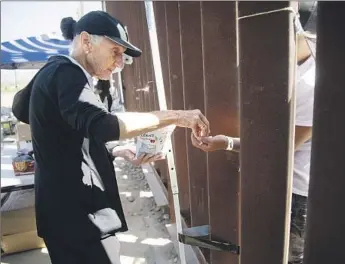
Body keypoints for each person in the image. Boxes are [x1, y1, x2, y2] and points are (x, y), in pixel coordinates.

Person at [24, 11, 209, 264]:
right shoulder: (68, 74)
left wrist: (115, 151)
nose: (119, 62)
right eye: (115, 51)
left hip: (64, 214)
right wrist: (175, 116)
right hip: (79, 218)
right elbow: (105, 125)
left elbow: (31, 112)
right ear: (87, 41)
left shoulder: (52, 72)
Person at [191, 3, 317, 264]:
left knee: (287, 256)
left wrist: (225, 143)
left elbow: (277, 149)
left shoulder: (311, 84)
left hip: (297, 192)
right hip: (276, 179)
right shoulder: (290, 68)